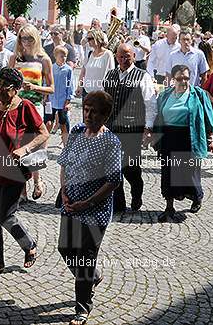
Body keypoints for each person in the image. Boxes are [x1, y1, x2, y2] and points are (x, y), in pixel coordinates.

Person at [0, 67, 48, 277]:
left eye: (4, 86)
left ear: (15, 89)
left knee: (6, 216)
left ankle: (29, 245)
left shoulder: (26, 107)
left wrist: (25, 148)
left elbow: (43, 134)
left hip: (14, 173)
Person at [57, 91, 121, 325]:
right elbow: (64, 163)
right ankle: (92, 278)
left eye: (94, 111)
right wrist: (63, 191)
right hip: (71, 204)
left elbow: (113, 180)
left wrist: (89, 202)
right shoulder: (74, 132)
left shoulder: (111, 142)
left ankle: (82, 308)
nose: (88, 114)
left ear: (105, 116)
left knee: (85, 258)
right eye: (86, 109)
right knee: (65, 248)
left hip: (95, 211)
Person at [153, 64, 213, 223]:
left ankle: (197, 196)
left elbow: (208, 117)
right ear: (173, 79)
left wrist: (210, 137)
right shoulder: (165, 94)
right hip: (168, 137)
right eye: (180, 78)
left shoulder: (198, 94)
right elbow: (157, 115)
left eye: (187, 78)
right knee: (168, 172)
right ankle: (169, 206)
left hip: (189, 137)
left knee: (190, 174)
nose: (184, 81)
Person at [103, 44, 157, 213]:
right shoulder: (110, 74)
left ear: (134, 56)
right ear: (116, 57)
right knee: (112, 167)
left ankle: (136, 194)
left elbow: (150, 104)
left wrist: (148, 127)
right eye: (120, 57)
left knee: (131, 168)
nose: (124, 60)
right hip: (111, 128)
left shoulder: (142, 76)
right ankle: (119, 203)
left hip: (133, 129)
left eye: (127, 56)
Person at [8, 24, 54, 201]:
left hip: (35, 105)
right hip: (17, 105)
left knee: (36, 145)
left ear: (36, 39)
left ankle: (37, 181)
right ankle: (22, 189)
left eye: (29, 38)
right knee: (18, 145)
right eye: (22, 38)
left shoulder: (44, 59)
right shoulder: (15, 58)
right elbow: (7, 81)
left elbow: (51, 88)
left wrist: (34, 86)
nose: (25, 42)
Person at [46, 46, 74, 146]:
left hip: (62, 101)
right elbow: (47, 82)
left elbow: (70, 85)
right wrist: (45, 96)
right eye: (61, 56)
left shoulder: (68, 70)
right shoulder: (51, 68)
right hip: (51, 100)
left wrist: (68, 99)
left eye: (65, 56)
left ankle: (66, 143)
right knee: (48, 121)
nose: (64, 58)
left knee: (63, 123)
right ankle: (44, 143)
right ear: (55, 56)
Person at [76, 29, 115, 99]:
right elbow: (83, 71)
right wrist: (79, 86)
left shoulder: (108, 54)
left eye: (90, 39)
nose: (88, 41)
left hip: (100, 93)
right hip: (86, 92)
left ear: (98, 38)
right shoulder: (89, 54)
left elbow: (112, 74)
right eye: (87, 39)